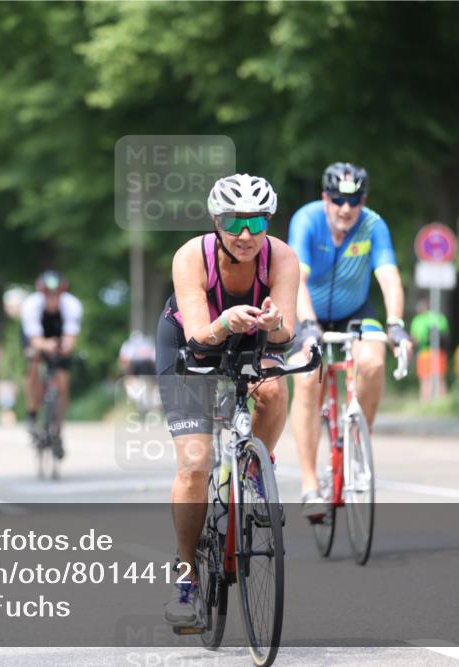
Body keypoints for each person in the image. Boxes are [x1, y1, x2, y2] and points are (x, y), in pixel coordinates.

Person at [156, 173, 299, 629]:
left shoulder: (282, 257)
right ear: (217, 222)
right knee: (195, 462)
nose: (245, 234)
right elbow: (200, 337)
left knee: (274, 388)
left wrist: (274, 324)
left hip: (252, 334)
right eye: (235, 222)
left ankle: (255, 472)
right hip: (191, 340)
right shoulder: (191, 257)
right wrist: (225, 321)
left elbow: (287, 333)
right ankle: (186, 576)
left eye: (257, 222)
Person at [287, 162, 412, 515]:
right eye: (338, 200)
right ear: (325, 198)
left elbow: (389, 276)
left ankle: (359, 439)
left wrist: (396, 324)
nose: (346, 208)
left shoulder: (373, 225)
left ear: (363, 201)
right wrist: (308, 324)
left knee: (372, 362)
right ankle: (310, 483)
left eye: (354, 200)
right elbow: (296, 279)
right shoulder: (307, 220)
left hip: (355, 310)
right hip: (306, 310)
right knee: (307, 377)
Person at [20, 270, 83, 459]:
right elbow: (35, 340)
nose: (52, 299)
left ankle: (58, 430)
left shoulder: (72, 305)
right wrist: (46, 346)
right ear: (42, 294)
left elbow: (70, 338)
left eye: (56, 295)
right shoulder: (31, 305)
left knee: (63, 381)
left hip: (59, 335)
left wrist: (64, 347)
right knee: (33, 362)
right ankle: (32, 412)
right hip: (37, 338)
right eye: (48, 295)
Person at [410, 298, 450, 402]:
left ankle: (425, 402)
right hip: (439, 352)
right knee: (440, 378)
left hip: (424, 353)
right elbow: (445, 332)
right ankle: (443, 403)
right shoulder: (440, 317)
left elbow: (415, 338)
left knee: (425, 380)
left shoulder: (418, 320)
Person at [118, 330, 158, 416]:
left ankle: (149, 413)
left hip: (148, 376)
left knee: (150, 397)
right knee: (139, 396)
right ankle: (144, 413)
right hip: (137, 377)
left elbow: (155, 362)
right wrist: (128, 377)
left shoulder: (148, 346)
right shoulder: (130, 347)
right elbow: (125, 363)